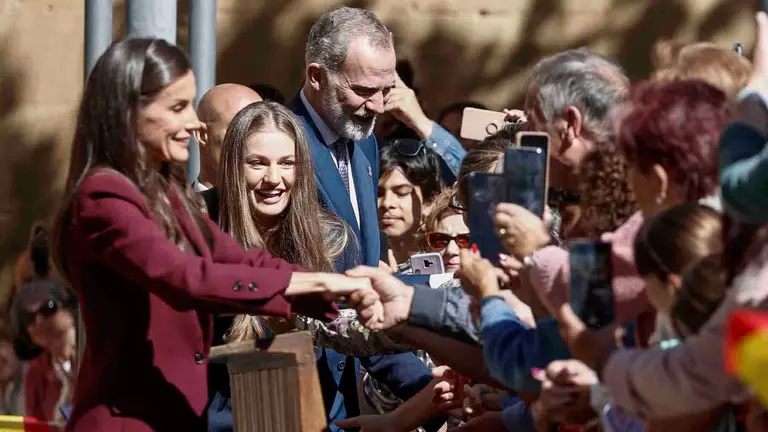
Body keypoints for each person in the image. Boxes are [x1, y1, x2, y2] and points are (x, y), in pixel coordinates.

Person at [51, 38, 371, 431]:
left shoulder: (167, 195)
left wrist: (331, 288)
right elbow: (186, 277)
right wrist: (317, 281)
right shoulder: (103, 196)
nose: (193, 123)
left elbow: (237, 258)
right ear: (130, 112)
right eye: (178, 107)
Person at [287, 7, 436, 430]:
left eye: (385, 89)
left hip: (351, 391)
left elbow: (368, 273)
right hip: (297, 390)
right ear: (317, 76)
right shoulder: (280, 145)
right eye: (363, 90)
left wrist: (429, 391)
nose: (376, 106)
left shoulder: (364, 140)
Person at [11, 280, 76, 423]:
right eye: (28, 318)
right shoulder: (36, 375)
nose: (39, 321)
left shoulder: (99, 349)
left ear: (70, 309)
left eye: (48, 308)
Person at [378, 139, 443, 272]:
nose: (386, 203)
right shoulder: (360, 260)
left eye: (402, 192)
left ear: (430, 201)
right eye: (378, 193)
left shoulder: (449, 259)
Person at [194, 84, 263, 195]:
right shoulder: (170, 209)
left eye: (260, 130)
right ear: (202, 134)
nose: (254, 141)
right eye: (238, 129)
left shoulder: (281, 208)